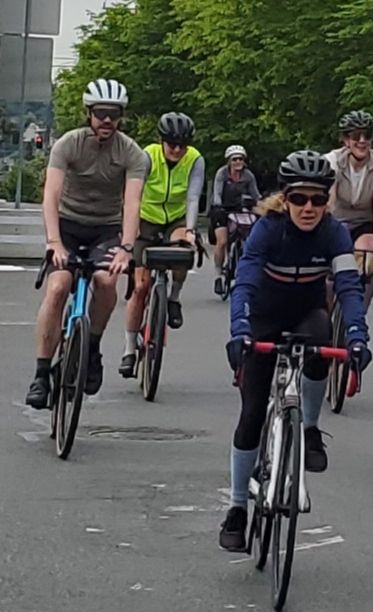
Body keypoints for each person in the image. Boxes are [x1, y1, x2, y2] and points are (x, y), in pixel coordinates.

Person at [218, 151, 373, 552]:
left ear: (328, 202)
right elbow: (246, 282)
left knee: (324, 334)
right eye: (300, 199)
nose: (309, 208)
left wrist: (357, 336)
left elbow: (348, 288)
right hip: (264, 317)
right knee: (251, 413)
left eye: (318, 200)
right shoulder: (268, 230)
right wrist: (239, 332)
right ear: (284, 199)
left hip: (307, 314)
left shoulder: (334, 233)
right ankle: (236, 508)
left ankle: (309, 427)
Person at [27, 78, 149, 409]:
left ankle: (91, 347)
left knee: (107, 279)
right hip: (67, 225)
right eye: (100, 113)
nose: (106, 120)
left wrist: (126, 247)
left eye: (113, 113)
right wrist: (54, 242)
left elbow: (133, 203)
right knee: (57, 288)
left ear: (121, 116)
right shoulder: (68, 144)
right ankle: (41, 374)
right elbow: (50, 194)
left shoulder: (132, 153)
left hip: (106, 228)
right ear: (89, 113)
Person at [120, 112, 204, 377]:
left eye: (183, 145)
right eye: (172, 144)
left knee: (183, 250)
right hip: (146, 219)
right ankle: (130, 349)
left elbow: (193, 197)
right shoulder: (147, 156)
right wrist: (128, 232)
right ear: (161, 140)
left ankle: (174, 297)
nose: (177, 150)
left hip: (175, 218)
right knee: (141, 287)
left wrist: (190, 230)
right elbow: (133, 194)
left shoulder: (195, 160)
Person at [326, 110, 373, 306]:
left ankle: (358, 312)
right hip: (336, 221)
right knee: (326, 277)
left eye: (368, 135)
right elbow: (328, 202)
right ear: (346, 140)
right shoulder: (332, 161)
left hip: (364, 223)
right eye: (356, 136)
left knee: (367, 258)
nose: (362, 141)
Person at [210, 144, 262, 296]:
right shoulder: (222, 174)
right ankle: (219, 275)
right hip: (222, 210)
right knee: (223, 242)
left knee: (249, 237)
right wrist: (218, 205)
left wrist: (263, 206)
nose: (238, 162)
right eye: (234, 159)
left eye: (240, 159)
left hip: (240, 211)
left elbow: (255, 195)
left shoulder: (248, 176)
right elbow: (217, 192)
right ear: (229, 161)